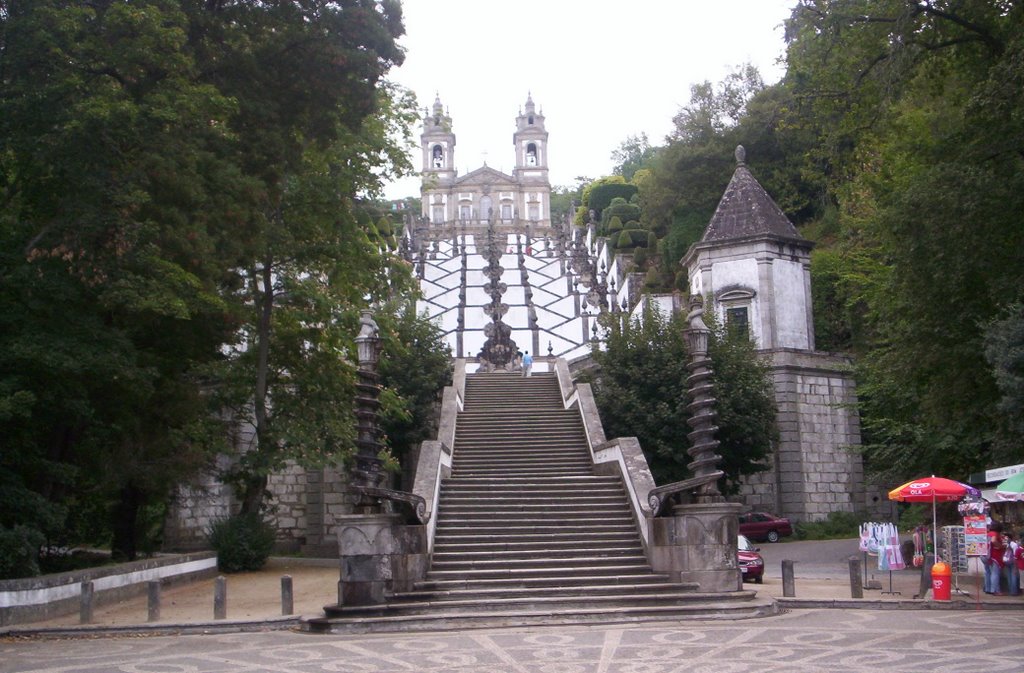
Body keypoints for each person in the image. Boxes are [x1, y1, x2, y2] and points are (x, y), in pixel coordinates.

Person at [985, 521, 1005, 595]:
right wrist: (1000, 546)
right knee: (995, 573)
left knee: (987, 572)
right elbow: (993, 541)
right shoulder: (994, 533)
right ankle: (995, 590)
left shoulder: (988, 533)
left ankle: (988, 588)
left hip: (985, 555)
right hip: (994, 556)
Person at [1004, 532, 1021, 596]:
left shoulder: (1007, 544)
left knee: (1009, 575)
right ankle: (1014, 591)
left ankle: (1010, 590)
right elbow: (1015, 554)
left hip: (1007, 561)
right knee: (1014, 575)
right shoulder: (1014, 544)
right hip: (1013, 561)